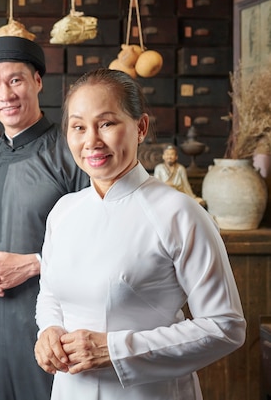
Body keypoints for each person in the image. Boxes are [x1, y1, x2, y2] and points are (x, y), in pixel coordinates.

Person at [34, 68, 246, 399]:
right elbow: (49, 293)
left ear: (141, 127)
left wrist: (114, 349)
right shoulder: (63, 211)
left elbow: (225, 327)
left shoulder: (180, 213)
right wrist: (48, 330)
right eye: (78, 127)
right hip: (69, 389)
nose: (91, 141)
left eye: (106, 123)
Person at [0, 36, 89, 400]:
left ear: (37, 81)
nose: (5, 95)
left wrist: (33, 264)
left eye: (15, 80)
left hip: (56, 324)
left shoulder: (73, 152)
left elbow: (101, 235)